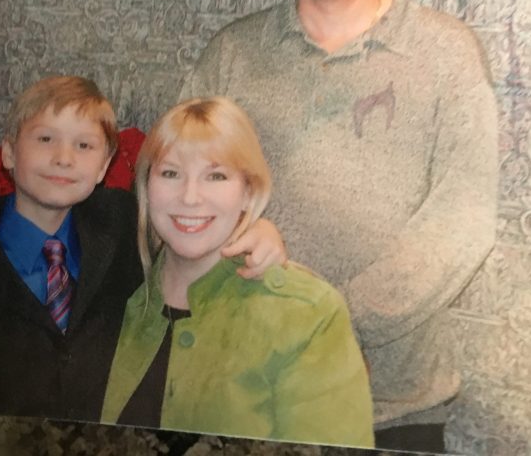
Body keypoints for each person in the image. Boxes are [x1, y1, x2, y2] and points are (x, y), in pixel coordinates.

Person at [181, 0, 498, 451]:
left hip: (390, 401)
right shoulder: (232, 54)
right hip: (245, 389)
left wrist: (338, 317)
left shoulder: (445, 52)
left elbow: (464, 219)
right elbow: (177, 193)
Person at [0, 76, 285, 420]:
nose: (63, 159)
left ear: (104, 165)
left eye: (84, 146)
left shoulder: (125, 227)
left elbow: (194, 233)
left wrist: (256, 231)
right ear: (8, 152)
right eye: (45, 139)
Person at [101, 97, 374, 448]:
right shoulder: (111, 295)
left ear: (248, 191)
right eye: (171, 173)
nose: (190, 197)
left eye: (215, 175)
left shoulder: (306, 315)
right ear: (146, 189)